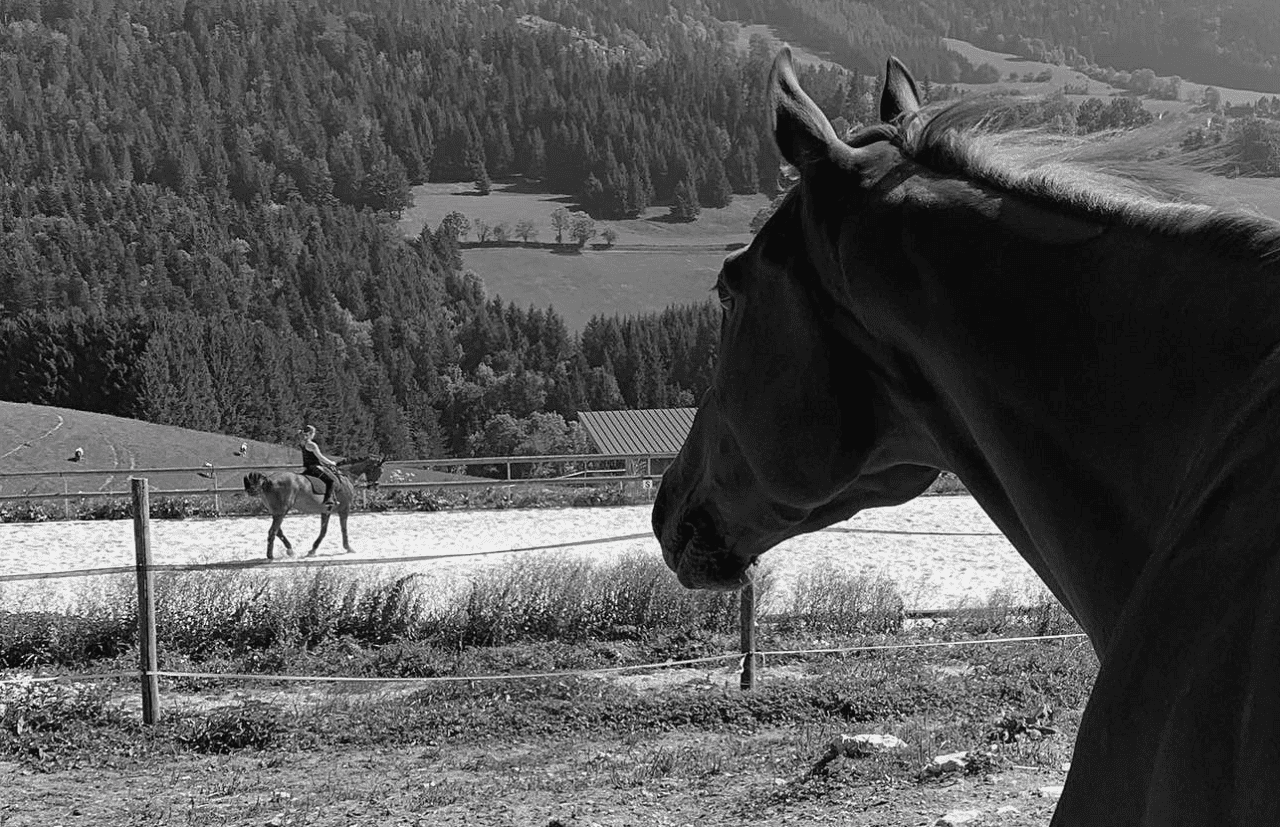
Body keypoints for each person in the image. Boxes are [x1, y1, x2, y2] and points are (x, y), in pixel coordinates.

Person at [299, 425, 339, 509]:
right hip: (314, 468)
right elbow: (320, 457)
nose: (314, 435)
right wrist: (331, 463)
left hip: (307, 468)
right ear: (310, 434)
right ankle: (328, 500)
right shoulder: (311, 445)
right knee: (330, 481)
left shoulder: (302, 443)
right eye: (313, 433)